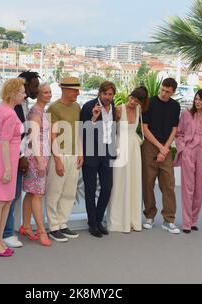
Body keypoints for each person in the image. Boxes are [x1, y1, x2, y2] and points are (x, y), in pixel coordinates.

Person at [2, 71, 40, 249]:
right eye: (33, 86)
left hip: (20, 155)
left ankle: (7, 231)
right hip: (13, 157)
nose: (36, 89)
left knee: (15, 195)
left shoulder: (24, 105)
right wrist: (21, 157)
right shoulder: (12, 108)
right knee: (11, 195)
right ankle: (6, 233)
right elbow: (8, 137)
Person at [0, 78, 26, 257]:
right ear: (13, 93)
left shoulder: (2, 108)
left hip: (5, 159)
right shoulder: (10, 114)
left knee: (6, 200)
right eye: (22, 92)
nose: (25, 95)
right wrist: (9, 169)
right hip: (7, 161)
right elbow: (3, 141)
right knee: (1, 201)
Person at [174, 89, 202, 233]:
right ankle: (186, 223)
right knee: (187, 188)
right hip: (189, 152)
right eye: (196, 99)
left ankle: (194, 220)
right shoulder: (186, 114)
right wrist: (183, 149)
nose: (197, 102)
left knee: (199, 189)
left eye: (201, 99)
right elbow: (179, 133)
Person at [46, 76, 83, 242]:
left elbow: (78, 131)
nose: (78, 93)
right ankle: (53, 226)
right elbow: (51, 135)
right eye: (75, 90)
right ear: (65, 89)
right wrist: (58, 159)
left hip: (74, 155)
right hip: (59, 155)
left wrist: (81, 153)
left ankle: (62, 223)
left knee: (69, 192)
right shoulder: (53, 108)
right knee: (55, 192)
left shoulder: (77, 107)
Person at [141, 78, 181, 234]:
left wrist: (165, 149)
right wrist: (159, 147)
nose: (164, 93)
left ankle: (169, 220)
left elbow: (174, 129)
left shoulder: (175, 106)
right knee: (148, 183)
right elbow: (145, 128)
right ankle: (149, 216)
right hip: (150, 146)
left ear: (173, 92)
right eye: (162, 90)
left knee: (169, 184)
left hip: (166, 147)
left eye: (168, 92)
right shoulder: (149, 102)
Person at [108, 86, 148, 233]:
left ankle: (133, 220)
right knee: (118, 183)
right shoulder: (118, 109)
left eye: (136, 100)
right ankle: (117, 221)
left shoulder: (139, 110)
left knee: (134, 182)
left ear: (140, 103)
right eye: (131, 98)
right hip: (120, 147)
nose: (131, 102)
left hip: (134, 149)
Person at [80, 81, 117, 238]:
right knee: (90, 189)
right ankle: (92, 223)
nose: (108, 97)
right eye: (105, 94)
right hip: (91, 153)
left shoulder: (114, 107)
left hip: (107, 152)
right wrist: (94, 118)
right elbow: (82, 130)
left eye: (110, 94)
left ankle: (99, 219)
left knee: (107, 187)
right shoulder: (89, 106)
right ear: (99, 93)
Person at [21, 83, 52, 246]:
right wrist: (40, 160)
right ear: (38, 94)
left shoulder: (42, 111)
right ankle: (41, 231)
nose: (48, 95)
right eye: (45, 92)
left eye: (50, 92)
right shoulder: (35, 112)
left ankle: (26, 226)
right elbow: (32, 137)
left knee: (31, 193)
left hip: (41, 155)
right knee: (38, 194)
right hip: (36, 156)